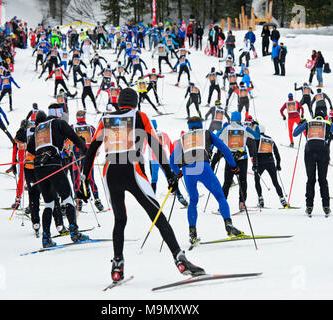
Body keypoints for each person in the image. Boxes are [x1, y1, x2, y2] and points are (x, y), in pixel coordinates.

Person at [80, 88, 205, 283]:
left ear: (119, 103)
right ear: (136, 102)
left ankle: (117, 266)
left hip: (110, 171)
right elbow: (155, 146)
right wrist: (170, 174)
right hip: (132, 168)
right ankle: (180, 259)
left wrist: (84, 180)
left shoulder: (105, 118)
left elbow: (92, 150)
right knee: (157, 215)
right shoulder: (140, 116)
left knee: (119, 220)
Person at [170, 116, 243, 244]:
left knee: (193, 200)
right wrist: (233, 166)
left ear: (189, 126)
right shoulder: (206, 133)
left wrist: (177, 172)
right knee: (220, 196)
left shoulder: (183, 138)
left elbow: (172, 160)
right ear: (200, 124)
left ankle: (192, 232)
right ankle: (228, 225)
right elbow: (224, 149)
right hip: (203, 166)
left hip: (188, 170)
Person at [26, 108, 89, 248]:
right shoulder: (58, 123)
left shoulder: (36, 130)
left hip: (38, 167)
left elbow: (30, 149)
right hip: (53, 163)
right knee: (67, 196)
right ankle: (74, 232)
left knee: (49, 203)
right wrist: (86, 150)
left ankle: (46, 238)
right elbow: (73, 136)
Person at [293, 109, 333, 217]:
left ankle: (309, 206)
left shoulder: (308, 123)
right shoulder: (328, 123)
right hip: (323, 153)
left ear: (314, 117)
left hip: (309, 153)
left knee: (311, 179)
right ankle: (326, 206)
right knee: (322, 179)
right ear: (324, 117)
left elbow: (295, 133)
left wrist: (300, 123)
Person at [217, 111, 260, 211]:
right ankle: (242, 203)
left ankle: (222, 205)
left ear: (231, 119)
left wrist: (224, 128)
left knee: (227, 182)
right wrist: (256, 127)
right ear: (239, 119)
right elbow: (256, 136)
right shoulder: (244, 128)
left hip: (230, 158)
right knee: (243, 181)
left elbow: (218, 137)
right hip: (242, 159)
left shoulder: (227, 129)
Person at [71, 110, 105, 212]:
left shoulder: (72, 127)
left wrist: (67, 150)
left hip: (77, 156)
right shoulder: (90, 128)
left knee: (76, 178)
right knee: (90, 178)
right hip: (88, 155)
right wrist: (96, 151)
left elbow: (67, 141)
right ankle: (97, 200)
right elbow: (97, 139)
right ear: (84, 117)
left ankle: (79, 201)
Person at [252, 125, 287, 208]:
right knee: (275, 182)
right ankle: (282, 199)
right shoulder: (270, 139)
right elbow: (276, 152)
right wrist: (278, 164)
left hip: (260, 164)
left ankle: (260, 199)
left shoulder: (256, 139)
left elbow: (254, 153)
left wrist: (254, 165)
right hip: (270, 162)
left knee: (257, 180)